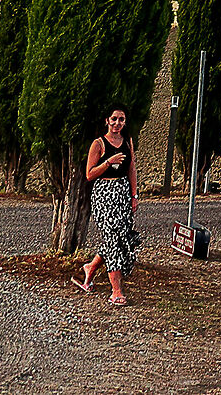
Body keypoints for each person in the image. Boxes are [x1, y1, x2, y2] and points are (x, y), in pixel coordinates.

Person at [75, 108, 138, 304]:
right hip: (104, 193)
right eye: (114, 119)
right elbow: (90, 174)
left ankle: (90, 268)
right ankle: (116, 291)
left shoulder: (128, 142)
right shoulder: (98, 144)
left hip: (122, 193)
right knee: (112, 239)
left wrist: (134, 195)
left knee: (120, 237)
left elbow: (131, 168)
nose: (117, 123)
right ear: (107, 121)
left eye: (121, 120)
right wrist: (108, 161)